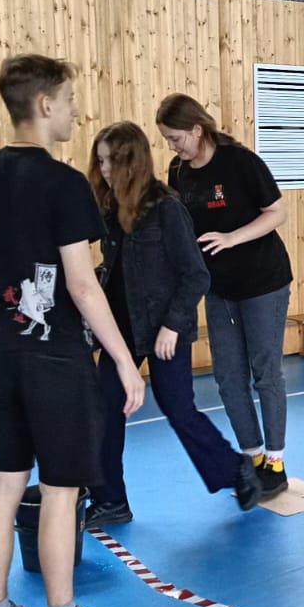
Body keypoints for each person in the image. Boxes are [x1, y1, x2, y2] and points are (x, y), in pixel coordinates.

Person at [0, 54, 143, 607]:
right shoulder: (64, 183)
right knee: (61, 489)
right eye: (69, 100)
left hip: (0, 350)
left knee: (6, 484)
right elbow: (82, 284)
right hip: (53, 360)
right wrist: (124, 360)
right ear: (45, 105)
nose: (74, 111)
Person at [83, 121, 265, 527]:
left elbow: (196, 275)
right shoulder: (110, 208)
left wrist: (172, 326)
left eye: (111, 161)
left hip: (165, 328)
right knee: (104, 411)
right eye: (100, 161)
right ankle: (111, 501)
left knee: (178, 409)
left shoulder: (167, 208)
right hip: (121, 331)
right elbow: (113, 269)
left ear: (131, 162)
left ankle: (236, 469)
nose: (104, 169)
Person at [157, 94, 293, 497]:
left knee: (265, 372)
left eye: (176, 138)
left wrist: (232, 238)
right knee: (229, 377)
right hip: (217, 288)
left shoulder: (240, 162)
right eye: (167, 140)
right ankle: (252, 459)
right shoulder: (179, 171)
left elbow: (277, 212)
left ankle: (275, 462)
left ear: (198, 129)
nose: (172, 147)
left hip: (263, 281)